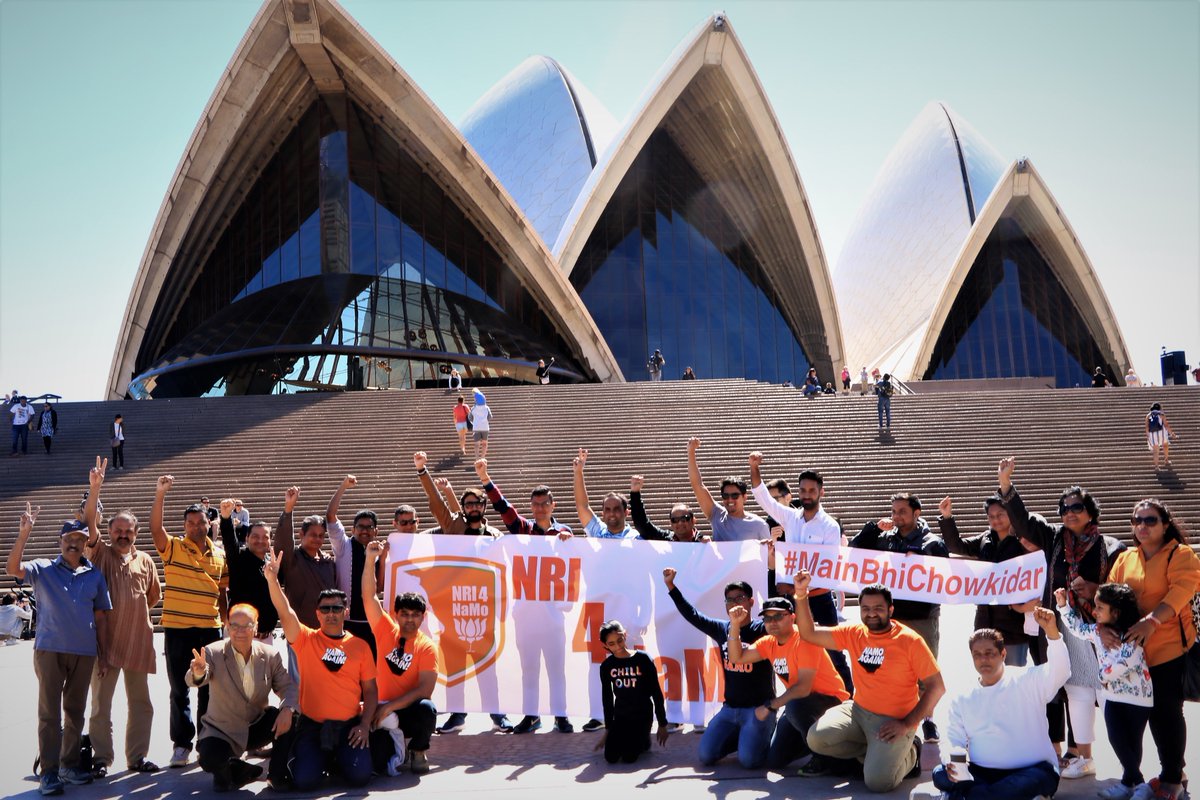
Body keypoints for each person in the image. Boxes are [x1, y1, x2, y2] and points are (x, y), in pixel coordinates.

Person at [998, 457, 1125, 780]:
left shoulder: (1111, 546)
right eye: (1064, 508)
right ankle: (1084, 756)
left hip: (1099, 634)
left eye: (1077, 507)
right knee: (1076, 693)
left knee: (1110, 698)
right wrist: (1006, 485)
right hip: (1061, 630)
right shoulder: (1054, 538)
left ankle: (1129, 763)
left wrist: (1097, 589)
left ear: (1091, 511)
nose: (1069, 512)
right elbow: (1024, 523)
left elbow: (1126, 592)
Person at [797, 574, 945, 793]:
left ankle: (911, 750)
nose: (871, 613)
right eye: (865, 608)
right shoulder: (854, 633)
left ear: (891, 609)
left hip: (896, 721)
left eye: (878, 608)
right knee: (816, 739)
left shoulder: (909, 640)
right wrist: (801, 595)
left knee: (878, 783)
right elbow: (808, 634)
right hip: (858, 711)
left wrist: (906, 724)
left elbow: (937, 687)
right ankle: (875, 751)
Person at [7, 506, 112, 795]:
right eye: (68, 538)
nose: (74, 543)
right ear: (60, 542)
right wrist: (23, 534)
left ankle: (68, 764)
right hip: (50, 649)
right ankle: (49, 772)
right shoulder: (43, 569)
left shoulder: (95, 575)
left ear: (85, 543)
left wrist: (102, 654)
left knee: (75, 711)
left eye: (79, 538)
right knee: (49, 713)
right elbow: (13, 569)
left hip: (84, 651)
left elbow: (101, 616)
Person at [918, 609, 1068, 800]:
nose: (983, 659)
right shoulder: (963, 695)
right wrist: (953, 762)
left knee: (1031, 781)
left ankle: (967, 796)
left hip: (1032, 769)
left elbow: (1061, 671)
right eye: (977, 654)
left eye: (990, 653)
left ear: (1003, 654)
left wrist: (1053, 634)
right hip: (982, 773)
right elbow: (953, 739)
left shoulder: (1028, 679)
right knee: (940, 774)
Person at [1105, 499, 1199, 800]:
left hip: (1166, 650)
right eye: (1137, 520)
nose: (1142, 526)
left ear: (1165, 524)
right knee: (1124, 717)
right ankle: (1134, 777)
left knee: (1165, 714)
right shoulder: (1125, 558)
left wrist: (1152, 621)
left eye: (1150, 520)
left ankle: (1172, 778)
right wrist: (1101, 626)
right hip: (1130, 657)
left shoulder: (1180, 554)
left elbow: (1182, 590)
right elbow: (1110, 595)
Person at [413, 453, 511, 733]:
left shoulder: (494, 536)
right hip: (453, 607)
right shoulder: (453, 527)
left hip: (482, 609)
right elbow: (436, 503)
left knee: (487, 666)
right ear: (464, 508)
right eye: (467, 504)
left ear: (483, 506)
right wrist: (423, 471)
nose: (471, 507)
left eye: (476, 503)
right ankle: (457, 713)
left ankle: (497, 713)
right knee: (455, 664)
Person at [476, 459, 575, 734]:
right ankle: (532, 715)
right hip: (526, 614)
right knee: (529, 669)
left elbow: (575, 564)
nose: (539, 508)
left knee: (556, 670)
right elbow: (503, 508)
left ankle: (561, 715)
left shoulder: (563, 533)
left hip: (553, 615)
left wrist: (569, 542)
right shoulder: (524, 529)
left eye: (544, 503)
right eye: (535, 504)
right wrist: (486, 478)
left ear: (553, 505)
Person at [264, 558, 376, 791]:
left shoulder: (360, 646)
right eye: (325, 608)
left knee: (360, 778)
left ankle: (337, 758)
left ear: (345, 612)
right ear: (317, 613)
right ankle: (317, 758)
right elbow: (285, 612)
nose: (331, 613)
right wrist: (273, 580)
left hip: (348, 727)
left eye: (336, 608)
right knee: (304, 781)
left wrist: (364, 725)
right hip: (313, 727)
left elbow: (371, 690)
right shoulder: (305, 639)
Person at [81, 458, 161, 776]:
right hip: (105, 643)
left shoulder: (145, 561)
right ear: (110, 532)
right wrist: (95, 487)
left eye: (128, 531)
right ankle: (102, 758)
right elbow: (89, 526)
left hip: (137, 641)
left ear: (136, 533)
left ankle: (137, 756)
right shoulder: (99, 552)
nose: (123, 535)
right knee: (101, 705)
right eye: (118, 530)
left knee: (141, 703)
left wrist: (133, 614)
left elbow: (152, 597)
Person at [849, 492, 949, 743]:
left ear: (917, 513)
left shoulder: (932, 543)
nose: (896, 517)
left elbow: (948, 577)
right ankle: (891, 714)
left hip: (922, 617)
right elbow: (854, 552)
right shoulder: (885, 539)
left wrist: (922, 564)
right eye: (893, 511)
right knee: (891, 669)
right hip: (890, 619)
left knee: (924, 672)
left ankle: (927, 719)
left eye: (902, 512)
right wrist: (872, 528)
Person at [749, 454, 853, 692]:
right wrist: (754, 468)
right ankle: (801, 692)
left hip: (819, 597)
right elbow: (763, 497)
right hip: (793, 598)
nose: (806, 495)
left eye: (811, 490)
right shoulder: (790, 516)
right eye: (803, 490)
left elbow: (828, 568)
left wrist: (800, 587)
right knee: (793, 646)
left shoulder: (830, 526)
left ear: (821, 492)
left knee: (834, 649)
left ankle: (848, 696)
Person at [150, 475, 230, 769]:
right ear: (184, 526)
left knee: (209, 688)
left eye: (201, 522)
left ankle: (205, 740)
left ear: (210, 524)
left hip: (210, 628)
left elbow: (222, 592)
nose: (196, 527)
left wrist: (225, 625)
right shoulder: (173, 548)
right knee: (178, 689)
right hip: (178, 629)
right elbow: (155, 529)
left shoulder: (220, 555)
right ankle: (181, 744)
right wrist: (160, 494)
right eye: (191, 523)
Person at [662, 568, 775, 768]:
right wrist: (671, 586)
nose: (734, 603)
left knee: (749, 761)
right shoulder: (721, 628)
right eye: (729, 600)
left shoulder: (763, 629)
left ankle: (760, 735)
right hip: (730, 709)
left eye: (739, 597)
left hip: (758, 709)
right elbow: (692, 615)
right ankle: (743, 736)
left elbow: (783, 618)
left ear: (751, 601)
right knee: (706, 756)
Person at [726, 596, 850, 771]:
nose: (772, 622)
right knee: (775, 761)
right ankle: (819, 743)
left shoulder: (804, 640)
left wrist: (769, 706)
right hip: (802, 705)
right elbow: (736, 658)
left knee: (793, 707)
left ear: (792, 617)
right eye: (767, 618)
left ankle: (826, 758)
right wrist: (735, 625)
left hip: (830, 701)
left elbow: (803, 688)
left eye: (778, 616)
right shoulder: (769, 642)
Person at [1055, 583, 1153, 800]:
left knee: (1132, 744)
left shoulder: (1132, 635)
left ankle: (1134, 783)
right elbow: (1078, 629)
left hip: (1138, 700)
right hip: (1113, 698)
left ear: (1115, 613)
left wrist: (1101, 676)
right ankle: (1135, 783)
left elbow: (1124, 663)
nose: (1095, 611)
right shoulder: (1097, 631)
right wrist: (1063, 607)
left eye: (1100, 607)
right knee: (1117, 739)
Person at [186, 603, 297, 792]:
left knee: (291, 716)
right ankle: (239, 771)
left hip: (256, 725)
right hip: (223, 730)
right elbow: (193, 679)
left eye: (246, 625)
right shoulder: (213, 652)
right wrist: (198, 672)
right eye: (234, 626)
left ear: (255, 626)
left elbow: (288, 688)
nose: (240, 631)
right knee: (212, 766)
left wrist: (288, 709)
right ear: (227, 627)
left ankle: (277, 775)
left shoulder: (270, 655)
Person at [363, 542, 437, 775]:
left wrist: (392, 707)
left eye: (415, 615)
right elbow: (368, 596)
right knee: (377, 766)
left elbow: (425, 690)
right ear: (396, 614)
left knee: (428, 708)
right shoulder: (385, 629)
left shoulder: (427, 647)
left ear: (423, 617)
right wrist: (369, 561)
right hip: (380, 710)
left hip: (405, 711)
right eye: (404, 614)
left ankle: (417, 749)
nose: (409, 619)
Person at [937, 493, 1034, 665]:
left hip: (1013, 622)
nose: (996, 520)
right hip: (985, 620)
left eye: (1000, 515)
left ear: (1010, 514)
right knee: (988, 674)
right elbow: (955, 546)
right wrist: (947, 517)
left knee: (1015, 676)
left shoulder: (1023, 542)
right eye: (991, 517)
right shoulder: (985, 539)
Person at [595, 620, 669, 764]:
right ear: (605, 645)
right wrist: (608, 729)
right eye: (611, 644)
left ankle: (644, 739)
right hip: (621, 717)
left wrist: (662, 724)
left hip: (642, 716)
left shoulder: (644, 659)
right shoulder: (606, 666)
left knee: (629, 757)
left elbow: (656, 692)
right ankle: (632, 739)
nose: (617, 646)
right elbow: (607, 699)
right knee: (611, 757)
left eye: (620, 640)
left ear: (625, 635)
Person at [326, 475, 382, 657]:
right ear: (353, 529)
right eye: (360, 526)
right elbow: (330, 516)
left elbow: (380, 587)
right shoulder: (343, 546)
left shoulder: (380, 551)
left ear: (376, 531)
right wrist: (343, 486)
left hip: (372, 622)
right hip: (346, 620)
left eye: (369, 527)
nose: (365, 530)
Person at [272, 486, 337, 631]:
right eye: (313, 534)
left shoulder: (328, 562)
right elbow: (283, 543)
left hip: (326, 629)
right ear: (301, 534)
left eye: (321, 535)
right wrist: (288, 509)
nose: (317, 539)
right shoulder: (293, 558)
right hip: (299, 631)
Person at [686, 437, 768, 542]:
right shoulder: (717, 515)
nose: (730, 500)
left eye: (734, 495)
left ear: (744, 497)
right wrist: (691, 452)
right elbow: (697, 486)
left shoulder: (759, 525)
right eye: (725, 496)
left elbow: (769, 555)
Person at [218, 499, 276, 640]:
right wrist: (226, 518)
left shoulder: (272, 565)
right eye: (255, 536)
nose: (260, 540)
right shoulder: (239, 557)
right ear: (247, 538)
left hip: (266, 637)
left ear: (270, 541)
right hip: (240, 636)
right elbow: (230, 542)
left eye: (265, 537)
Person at [573, 448, 637, 539]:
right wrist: (578, 472)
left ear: (626, 512)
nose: (612, 513)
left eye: (616, 509)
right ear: (602, 513)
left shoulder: (637, 538)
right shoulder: (597, 531)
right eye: (607, 509)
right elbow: (582, 506)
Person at [629, 475, 706, 542]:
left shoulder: (704, 543)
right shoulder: (665, 539)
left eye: (684, 519)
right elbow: (643, 526)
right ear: (671, 524)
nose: (680, 523)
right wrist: (635, 493)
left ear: (693, 520)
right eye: (675, 520)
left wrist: (707, 544)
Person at [1145, 403, 1175, 471]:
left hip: (1152, 434)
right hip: (1162, 433)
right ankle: (1166, 460)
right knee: (1165, 446)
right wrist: (1171, 433)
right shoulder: (1161, 414)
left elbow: (1147, 427)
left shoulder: (1148, 416)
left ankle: (1156, 466)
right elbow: (1166, 425)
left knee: (1155, 451)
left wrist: (1148, 436)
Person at [470, 389, 493, 459]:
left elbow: (470, 417)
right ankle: (482, 458)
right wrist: (485, 421)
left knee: (477, 444)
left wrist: (474, 422)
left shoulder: (473, 408)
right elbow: (490, 417)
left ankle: (477, 458)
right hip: (485, 427)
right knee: (484, 443)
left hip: (476, 427)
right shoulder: (486, 408)